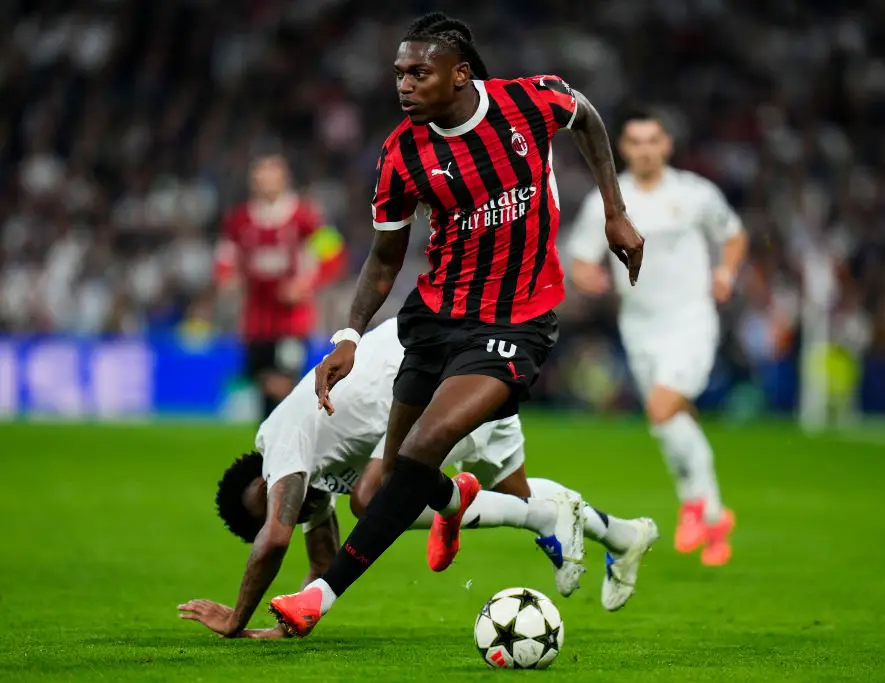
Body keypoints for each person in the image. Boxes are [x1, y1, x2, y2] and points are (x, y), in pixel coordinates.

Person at [266, 13, 644, 638]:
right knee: (376, 492)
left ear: (460, 74)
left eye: (419, 73)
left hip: (516, 322)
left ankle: (319, 597)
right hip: (435, 319)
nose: (404, 85)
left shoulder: (530, 101)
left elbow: (588, 118)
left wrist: (614, 211)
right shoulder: (402, 153)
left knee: (421, 449)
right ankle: (461, 501)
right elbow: (384, 259)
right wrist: (349, 336)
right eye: (399, 74)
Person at [176, 319, 659, 639]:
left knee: (371, 497)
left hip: (433, 377)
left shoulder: (280, 442)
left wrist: (235, 619)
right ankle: (625, 536)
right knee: (519, 497)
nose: (298, 511)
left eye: (276, 508)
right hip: (451, 363)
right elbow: (321, 561)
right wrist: (278, 628)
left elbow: (275, 540)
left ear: (265, 483)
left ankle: (454, 502)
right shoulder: (312, 479)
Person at [567, 108, 747, 566]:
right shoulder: (609, 200)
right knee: (671, 422)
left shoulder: (694, 193)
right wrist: (587, 276)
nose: (645, 150)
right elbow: (580, 256)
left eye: (653, 141)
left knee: (662, 408)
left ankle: (694, 507)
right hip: (639, 327)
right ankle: (713, 513)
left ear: (666, 145)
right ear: (623, 149)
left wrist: (726, 272)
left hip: (690, 319)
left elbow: (733, 235)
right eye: (636, 142)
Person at [214, 152, 346, 420]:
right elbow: (225, 257)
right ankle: (271, 438)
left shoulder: (304, 217)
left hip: (292, 320)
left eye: (272, 173)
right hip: (256, 321)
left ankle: (287, 434)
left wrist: (305, 284)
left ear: (284, 178)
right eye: (261, 173)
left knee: (284, 382)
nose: (266, 179)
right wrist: (227, 277)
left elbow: (333, 254)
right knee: (263, 384)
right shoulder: (240, 220)